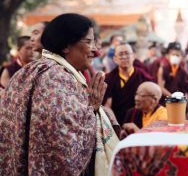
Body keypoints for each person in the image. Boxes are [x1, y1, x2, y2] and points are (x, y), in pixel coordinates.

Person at [0, 13, 120, 175]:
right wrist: (91, 109)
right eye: (88, 42)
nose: (96, 51)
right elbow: (60, 142)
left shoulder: (36, 69)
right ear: (66, 46)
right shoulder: (55, 77)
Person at [103, 42, 153, 126]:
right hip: (117, 120)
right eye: (120, 54)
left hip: (140, 121)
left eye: (127, 53)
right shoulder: (109, 78)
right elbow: (107, 105)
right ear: (115, 59)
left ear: (134, 56)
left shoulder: (143, 76)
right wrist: (115, 124)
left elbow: (150, 102)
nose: (124, 57)